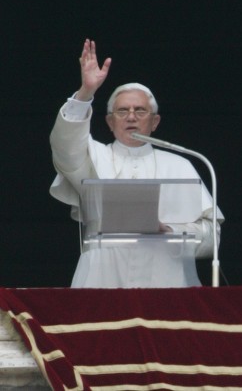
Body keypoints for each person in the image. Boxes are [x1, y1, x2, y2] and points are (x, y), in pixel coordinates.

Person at [50, 39, 224, 288]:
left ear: (155, 122)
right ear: (110, 122)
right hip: (102, 282)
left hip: (168, 284)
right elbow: (63, 144)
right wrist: (85, 93)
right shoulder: (92, 157)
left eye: (140, 111)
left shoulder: (182, 164)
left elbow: (212, 238)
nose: (131, 117)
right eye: (122, 111)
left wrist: (170, 231)